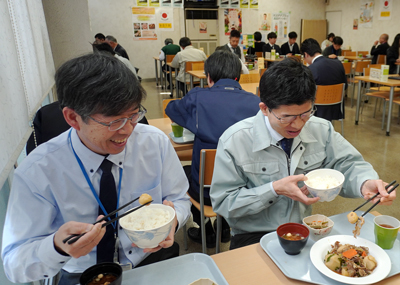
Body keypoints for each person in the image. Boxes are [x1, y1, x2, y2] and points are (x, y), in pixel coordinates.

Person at [2, 53, 191, 284]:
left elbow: (180, 199)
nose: (127, 130)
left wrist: (173, 220)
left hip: (149, 261)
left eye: (133, 116)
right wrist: (57, 248)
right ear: (73, 118)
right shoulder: (38, 170)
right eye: (113, 122)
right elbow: (14, 264)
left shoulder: (154, 143)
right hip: (80, 272)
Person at [210, 58, 396, 250]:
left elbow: (348, 163)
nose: (298, 125)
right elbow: (224, 202)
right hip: (253, 235)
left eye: (305, 114)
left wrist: (365, 182)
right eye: (287, 117)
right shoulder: (235, 140)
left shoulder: (321, 129)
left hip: (303, 229)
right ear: (265, 109)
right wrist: (274, 190)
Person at [166, 50, 260, 248]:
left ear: (208, 77)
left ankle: (205, 228)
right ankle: (225, 226)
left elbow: (171, 109)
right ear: (238, 76)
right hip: (244, 187)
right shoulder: (255, 103)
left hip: (206, 191)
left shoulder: (198, 97)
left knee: (185, 174)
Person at [301, 38, 347, 121]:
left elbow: (304, 93)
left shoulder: (311, 69)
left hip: (317, 112)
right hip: (336, 108)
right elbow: (345, 86)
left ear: (306, 54)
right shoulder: (338, 63)